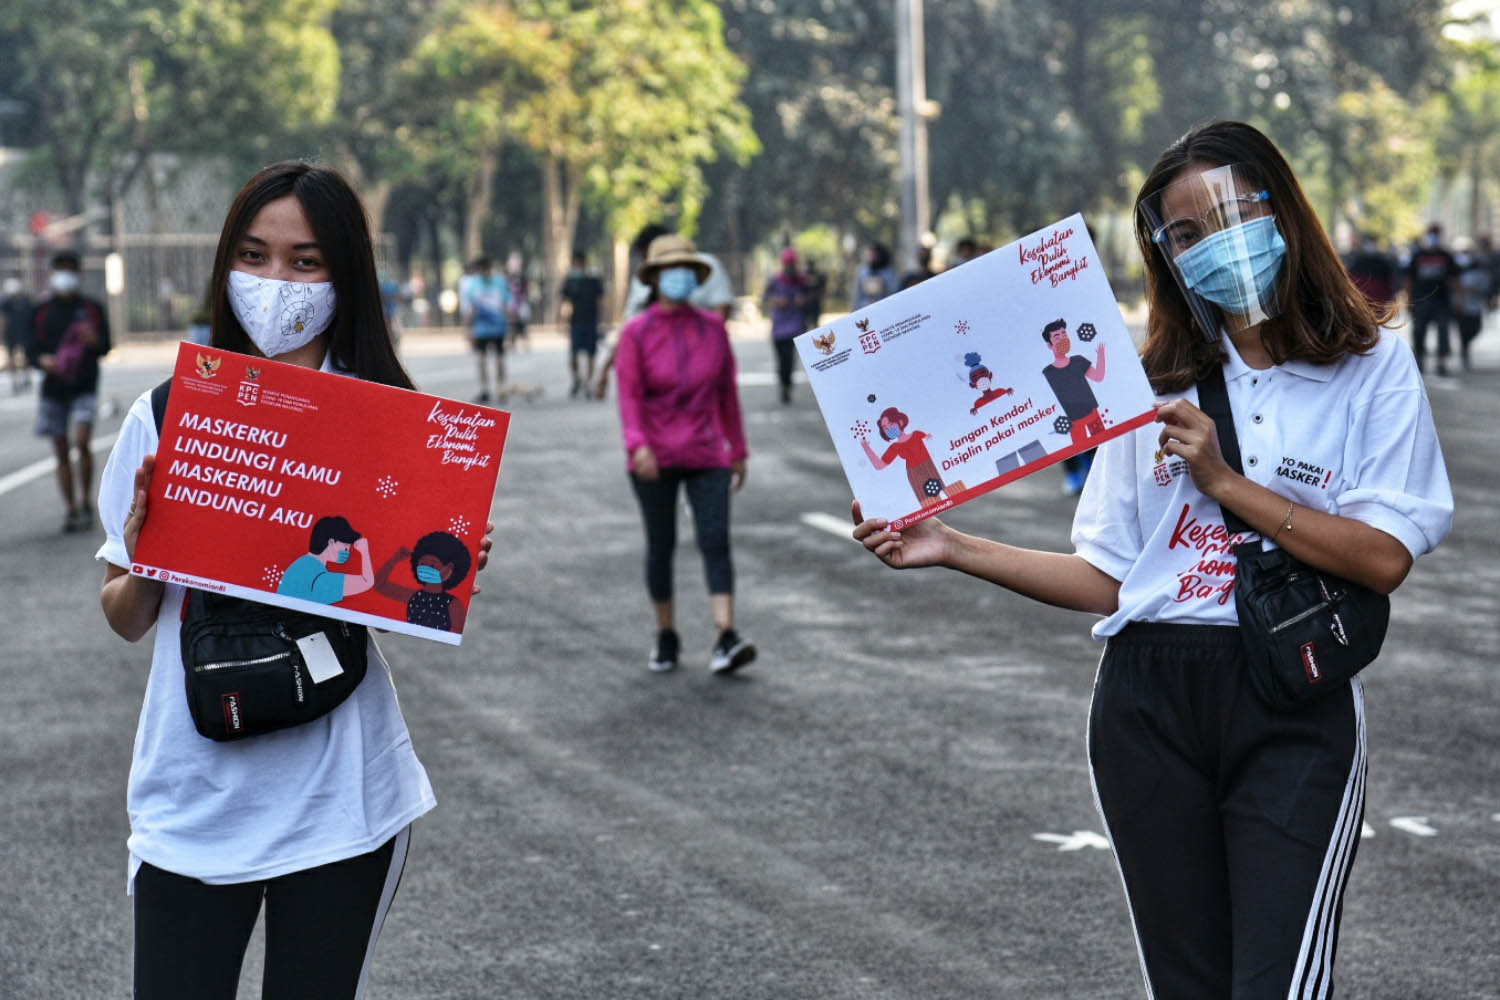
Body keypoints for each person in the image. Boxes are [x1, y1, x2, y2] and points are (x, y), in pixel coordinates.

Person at [852, 120, 1452, 998]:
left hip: (1290, 690)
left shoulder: (1371, 366)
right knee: (1186, 985)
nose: (1213, 246)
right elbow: (1109, 577)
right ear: (1162, 255)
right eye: (1183, 235)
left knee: (1280, 985)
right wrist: (951, 546)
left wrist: (1225, 481)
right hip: (1147, 701)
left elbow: (1383, 557)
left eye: (1230, 215)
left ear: (1281, 213)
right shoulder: (1142, 388)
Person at [96, 161, 493, 1000]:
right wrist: (143, 555)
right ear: (225, 266)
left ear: (344, 274)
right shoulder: (168, 415)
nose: (277, 283)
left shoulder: (390, 421)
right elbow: (127, 618)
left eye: (306, 262)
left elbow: (382, 618)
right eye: (255, 255)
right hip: (191, 798)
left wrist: (432, 579)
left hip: (342, 800)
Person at [614, 232, 755, 676]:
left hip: (707, 451)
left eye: (685, 270)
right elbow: (629, 396)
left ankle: (725, 635)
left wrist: (738, 448)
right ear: (654, 279)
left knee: (715, 540)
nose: (678, 277)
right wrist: (638, 446)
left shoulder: (713, 329)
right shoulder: (636, 333)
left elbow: (727, 392)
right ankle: (666, 633)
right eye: (669, 270)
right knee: (662, 544)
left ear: (695, 277)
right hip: (652, 458)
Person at [26, 250, 112, 533]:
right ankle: (71, 507)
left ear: (79, 274)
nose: (65, 276)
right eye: (60, 270)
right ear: (52, 274)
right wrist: (42, 360)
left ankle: (87, 500)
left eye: (70, 270)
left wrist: (94, 340)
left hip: (84, 384)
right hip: (54, 389)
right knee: (61, 449)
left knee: (82, 440)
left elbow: (106, 346)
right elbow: (31, 350)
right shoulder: (42, 311)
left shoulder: (92, 308)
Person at [1404, 222, 1458, 375]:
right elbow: (1409, 279)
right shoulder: (1418, 255)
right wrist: (1408, 300)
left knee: (1443, 331)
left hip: (1442, 301)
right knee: (1419, 331)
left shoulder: (1446, 256)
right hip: (1421, 300)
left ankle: (1441, 363)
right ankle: (1419, 359)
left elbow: (1454, 279)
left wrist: (1459, 299)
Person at [459, 254, 512, 402]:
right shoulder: (473, 284)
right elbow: (470, 309)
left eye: (483, 269)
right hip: (480, 329)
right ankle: (485, 389)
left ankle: (501, 388)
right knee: (481, 359)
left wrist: (510, 327)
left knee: (499, 358)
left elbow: (507, 305)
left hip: (498, 327)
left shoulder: (500, 283)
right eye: (479, 270)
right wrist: (468, 329)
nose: (481, 272)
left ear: (489, 268)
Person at [761, 247, 807, 404]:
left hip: (795, 326)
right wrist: (776, 301)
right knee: (781, 361)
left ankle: (787, 386)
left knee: (789, 359)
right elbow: (765, 298)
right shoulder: (775, 280)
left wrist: (803, 300)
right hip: (779, 327)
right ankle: (783, 384)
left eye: (792, 263)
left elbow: (813, 296)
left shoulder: (802, 280)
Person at [560, 250, 605, 397]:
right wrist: (562, 320)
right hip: (576, 322)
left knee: (591, 354)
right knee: (573, 354)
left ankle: (588, 382)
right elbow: (565, 301)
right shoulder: (570, 280)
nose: (579, 265)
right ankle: (577, 379)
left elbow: (601, 300)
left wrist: (604, 321)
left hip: (591, 321)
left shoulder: (594, 279)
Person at [1452, 241, 1492, 372]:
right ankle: (1465, 352)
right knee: (1463, 331)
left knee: (1476, 328)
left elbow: (1486, 287)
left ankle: (1466, 346)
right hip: (1461, 306)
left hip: (1475, 307)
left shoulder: (1479, 271)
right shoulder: (1457, 272)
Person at [2, 275, 32, 393]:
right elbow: (3, 319)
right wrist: (2, 334)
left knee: (26, 355)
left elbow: (31, 316)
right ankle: (15, 381)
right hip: (11, 333)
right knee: (11, 357)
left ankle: (26, 377)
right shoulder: (6, 302)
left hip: (25, 331)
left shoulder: (26, 301)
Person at [851, 242, 897, 310]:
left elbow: (894, 292)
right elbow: (857, 295)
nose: (872, 257)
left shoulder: (889, 273)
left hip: (884, 308)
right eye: (871, 255)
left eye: (875, 255)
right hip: (864, 309)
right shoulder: (862, 272)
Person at [504, 251, 531, 351]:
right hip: (511, 304)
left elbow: (526, 290)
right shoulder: (506, 278)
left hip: (521, 303)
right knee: (511, 324)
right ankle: (511, 341)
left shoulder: (523, 277)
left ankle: (525, 341)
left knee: (522, 324)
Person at [800, 257, 827, 330]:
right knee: (805, 324)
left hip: (815, 303)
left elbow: (822, 287)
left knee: (814, 323)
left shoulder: (818, 274)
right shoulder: (803, 275)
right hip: (807, 304)